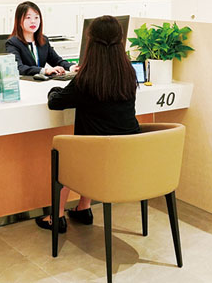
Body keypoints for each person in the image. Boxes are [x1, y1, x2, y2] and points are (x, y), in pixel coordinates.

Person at [35, 15, 140, 232]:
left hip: (95, 158)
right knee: (94, 144)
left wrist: (54, 89)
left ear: (91, 42)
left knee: (68, 154)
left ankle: (57, 217)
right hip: (127, 156)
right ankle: (83, 208)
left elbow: (56, 103)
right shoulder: (129, 73)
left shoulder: (87, 78)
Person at [6, 1, 77, 77]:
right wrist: (44, 70)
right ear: (19, 21)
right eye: (28, 17)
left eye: (36, 17)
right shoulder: (13, 43)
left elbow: (57, 61)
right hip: (25, 82)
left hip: (41, 81)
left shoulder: (43, 40)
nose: (33, 21)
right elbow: (18, 68)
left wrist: (71, 67)